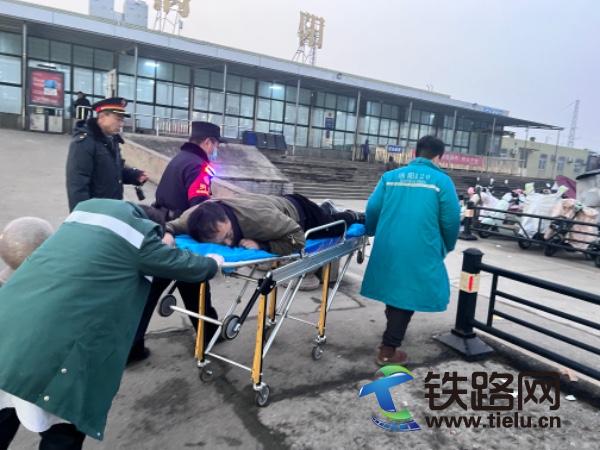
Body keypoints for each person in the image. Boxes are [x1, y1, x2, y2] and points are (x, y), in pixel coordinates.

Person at [0, 198, 223, 449]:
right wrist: (214, 262)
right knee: (63, 425)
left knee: (5, 406)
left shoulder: (79, 221)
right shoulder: (140, 239)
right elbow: (188, 266)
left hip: (8, 327)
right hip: (54, 349)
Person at [360, 135, 461, 366]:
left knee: (396, 288)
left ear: (415, 153)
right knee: (407, 293)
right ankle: (388, 350)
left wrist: (371, 230)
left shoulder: (390, 177)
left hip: (388, 244)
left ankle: (392, 333)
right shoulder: (442, 181)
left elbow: (372, 208)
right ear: (439, 157)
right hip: (421, 246)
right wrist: (447, 244)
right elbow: (451, 220)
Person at [130, 121, 224, 363]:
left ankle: (131, 345)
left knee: (151, 290)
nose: (215, 150)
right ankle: (209, 334)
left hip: (162, 227)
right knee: (196, 283)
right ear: (207, 142)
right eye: (215, 144)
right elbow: (198, 207)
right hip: (181, 234)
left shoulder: (178, 159)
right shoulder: (200, 166)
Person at [165, 192, 365, 256]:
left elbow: (297, 239)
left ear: (227, 219)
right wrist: (167, 233)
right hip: (274, 204)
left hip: (301, 213)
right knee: (326, 215)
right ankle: (326, 209)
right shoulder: (195, 217)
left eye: (229, 236)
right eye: (221, 242)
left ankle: (352, 215)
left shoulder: (260, 221)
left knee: (334, 226)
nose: (228, 244)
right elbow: (172, 225)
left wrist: (263, 245)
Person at [66, 97, 148, 212]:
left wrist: (134, 175)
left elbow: (113, 170)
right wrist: (82, 216)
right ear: (102, 117)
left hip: (111, 210)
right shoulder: (84, 142)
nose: (121, 124)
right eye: (118, 119)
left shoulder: (112, 139)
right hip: (95, 213)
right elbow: (77, 185)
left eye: (122, 120)